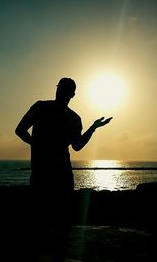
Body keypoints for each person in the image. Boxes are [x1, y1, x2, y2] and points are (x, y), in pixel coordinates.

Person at [15, 77, 112, 261]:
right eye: (63, 88)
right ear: (72, 94)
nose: (62, 91)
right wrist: (92, 128)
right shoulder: (71, 117)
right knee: (57, 225)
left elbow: (20, 130)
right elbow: (77, 146)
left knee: (43, 222)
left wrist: (35, 144)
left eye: (63, 89)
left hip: (47, 175)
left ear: (63, 91)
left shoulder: (42, 108)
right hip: (58, 175)